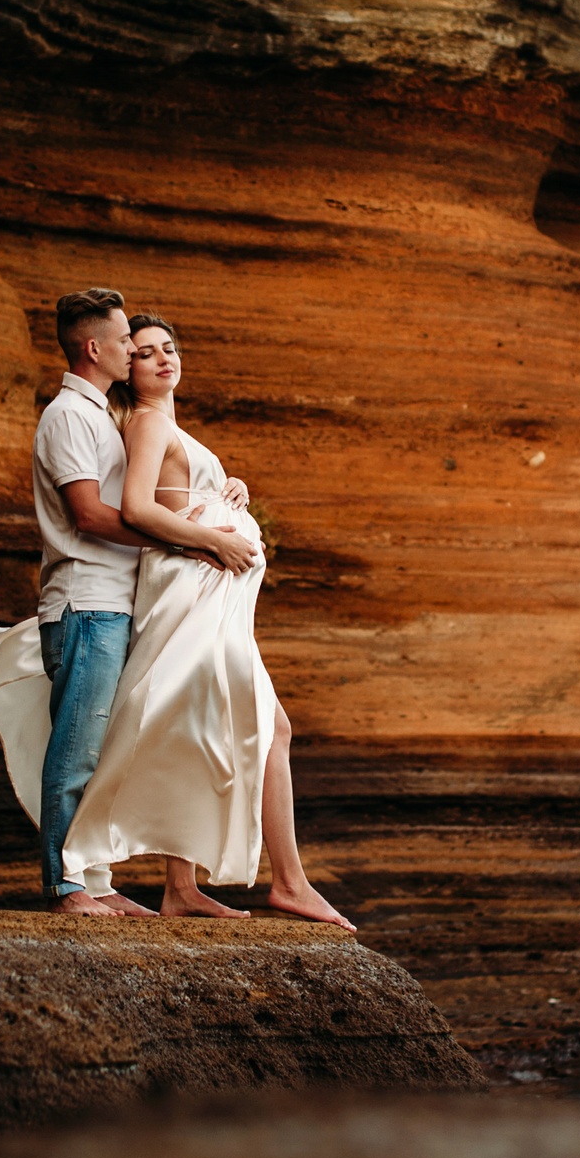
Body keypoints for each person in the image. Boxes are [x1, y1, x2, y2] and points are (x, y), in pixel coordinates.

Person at [57, 312, 354, 929]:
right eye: (144, 353)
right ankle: (290, 882)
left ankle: (182, 886)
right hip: (190, 591)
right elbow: (138, 509)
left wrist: (225, 489)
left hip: (209, 596)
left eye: (170, 348)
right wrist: (209, 541)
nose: (163, 359)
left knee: (210, 722)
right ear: (126, 368)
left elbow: (174, 490)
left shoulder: (166, 425)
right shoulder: (145, 423)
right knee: (259, 725)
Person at [16, 289, 256, 917]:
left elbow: (158, 491)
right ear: (95, 348)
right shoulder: (68, 415)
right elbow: (93, 516)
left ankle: (95, 884)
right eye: (126, 341)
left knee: (100, 749)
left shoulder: (104, 418)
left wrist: (214, 497)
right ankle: (65, 888)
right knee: (76, 750)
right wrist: (192, 543)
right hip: (85, 602)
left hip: (115, 603)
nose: (134, 350)